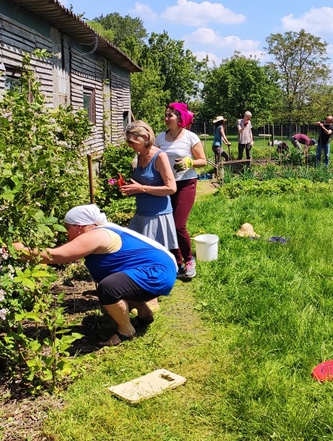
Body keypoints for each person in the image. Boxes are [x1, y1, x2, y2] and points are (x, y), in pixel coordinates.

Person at [13, 204, 177, 347]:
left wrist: (22, 251)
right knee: (114, 283)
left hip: (156, 274)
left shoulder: (96, 235)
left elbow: (57, 256)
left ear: (79, 226)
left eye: (67, 227)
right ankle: (144, 312)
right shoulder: (103, 231)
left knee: (108, 288)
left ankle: (126, 331)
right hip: (161, 271)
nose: (65, 232)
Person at [154, 102, 207, 280]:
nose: (166, 118)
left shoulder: (191, 137)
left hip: (185, 183)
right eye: (166, 115)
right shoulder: (160, 138)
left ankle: (189, 259)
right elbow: (153, 156)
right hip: (166, 185)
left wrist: (190, 162)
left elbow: (203, 161)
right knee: (167, 225)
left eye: (170, 115)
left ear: (180, 119)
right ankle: (176, 262)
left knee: (178, 224)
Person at [121, 121, 178, 252]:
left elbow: (171, 188)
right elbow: (142, 184)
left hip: (157, 215)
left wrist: (141, 189)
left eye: (132, 142)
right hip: (141, 214)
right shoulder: (139, 156)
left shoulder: (160, 156)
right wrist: (131, 189)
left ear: (145, 137)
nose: (129, 146)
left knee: (153, 254)